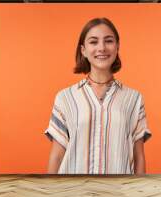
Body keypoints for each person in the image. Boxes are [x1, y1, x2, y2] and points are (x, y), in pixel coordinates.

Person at [45, 17, 151, 174]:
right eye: (93, 42)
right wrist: (50, 192)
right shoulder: (65, 97)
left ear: (117, 47)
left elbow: (139, 156)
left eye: (108, 41)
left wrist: (140, 192)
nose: (101, 48)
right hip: (72, 192)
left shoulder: (134, 99)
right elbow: (56, 156)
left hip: (118, 193)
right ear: (83, 50)